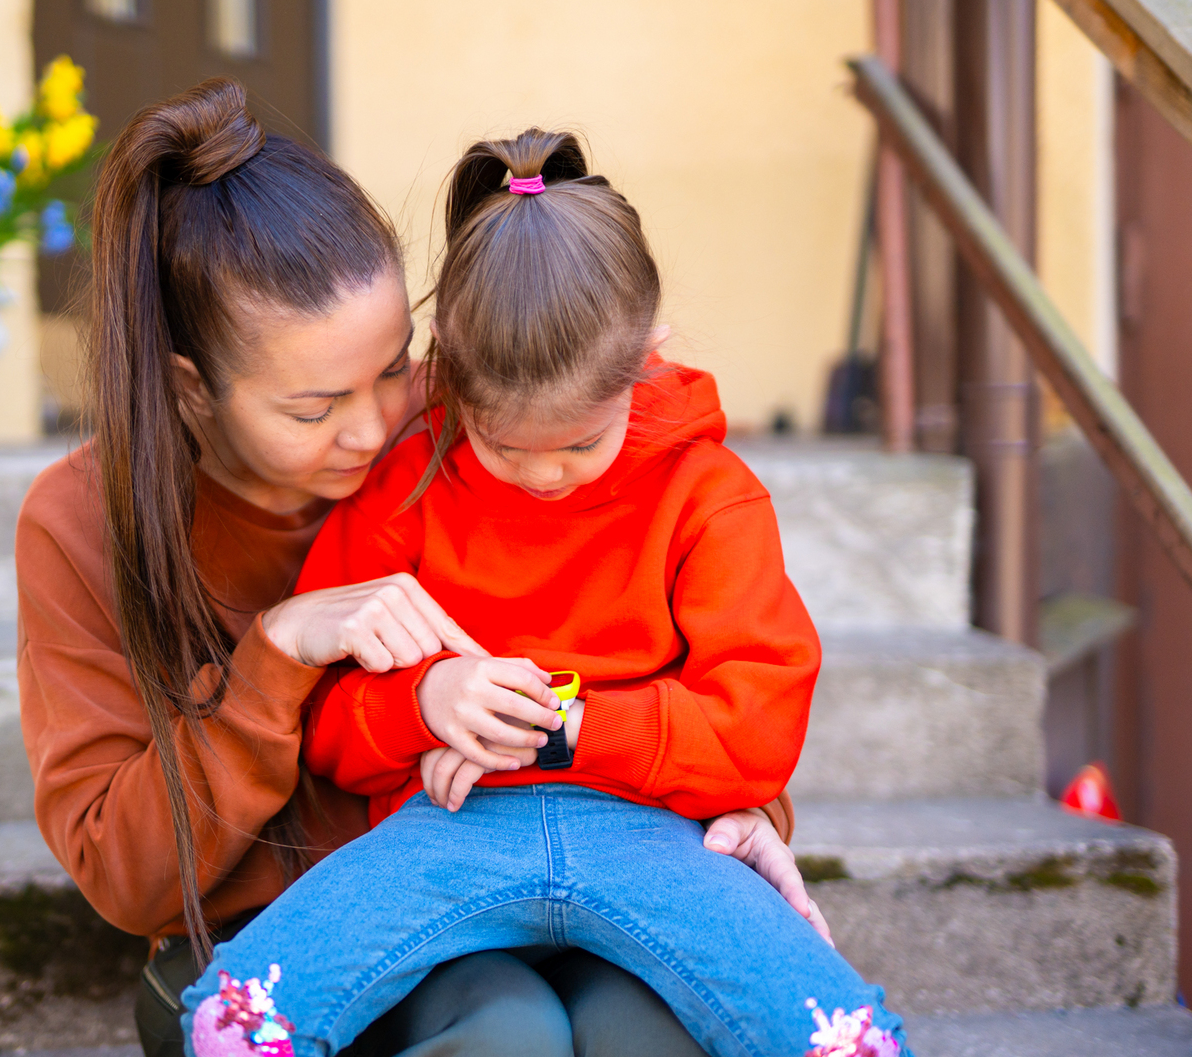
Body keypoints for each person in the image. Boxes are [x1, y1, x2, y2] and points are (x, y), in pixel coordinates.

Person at [18, 79, 827, 1057]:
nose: (375, 425)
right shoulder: (81, 526)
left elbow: (641, 632)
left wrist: (742, 812)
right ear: (195, 390)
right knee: (506, 1034)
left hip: (553, 877)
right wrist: (279, 657)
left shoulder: (483, 422)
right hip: (300, 936)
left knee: (645, 1028)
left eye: (398, 365)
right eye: (314, 409)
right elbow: (131, 872)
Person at [180, 129, 910, 1057]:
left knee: (844, 1038)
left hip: (654, 837)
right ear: (446, 363)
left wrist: (564, 729)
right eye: (505, 447)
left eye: (580, 444)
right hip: (447, 829)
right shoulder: (406, 479)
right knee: (235, 1017)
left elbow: (757, 726)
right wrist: (425, 705)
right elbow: (323, 729)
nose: (546, 476)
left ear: (647, 356)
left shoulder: (710, 497)